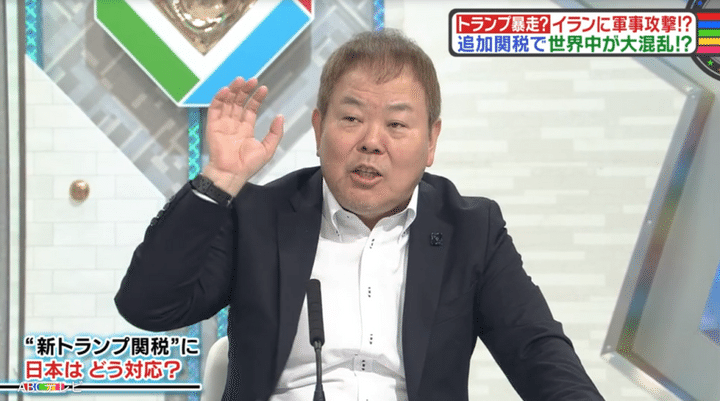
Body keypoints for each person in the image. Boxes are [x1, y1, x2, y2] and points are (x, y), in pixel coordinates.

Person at [115, 29, 604, 401]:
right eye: (351, 118)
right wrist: (219, 180)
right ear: (319, 128)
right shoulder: (259, 216)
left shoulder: (471, 229)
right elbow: (148, 306)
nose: (371, 141)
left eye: (396, 124)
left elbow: (537, 351)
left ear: (431, 142)